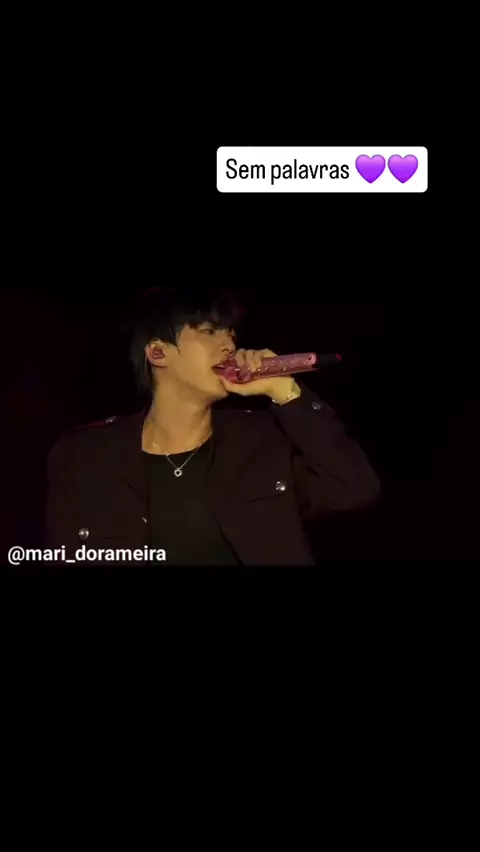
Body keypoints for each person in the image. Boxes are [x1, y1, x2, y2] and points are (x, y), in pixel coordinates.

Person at [45, 286, 380, 565]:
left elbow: (353, 489)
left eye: (230, 333)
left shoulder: (263, 441)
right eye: (208, 331)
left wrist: (285, 391)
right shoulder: (84, 457)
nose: (229, 346)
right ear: (158, 353)